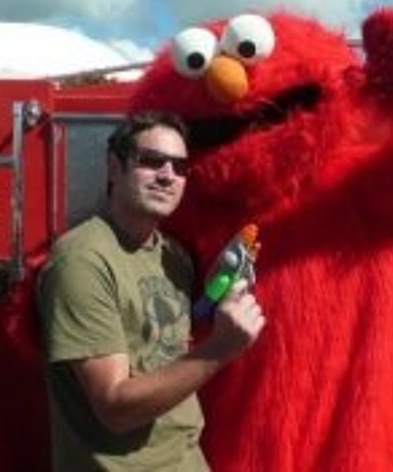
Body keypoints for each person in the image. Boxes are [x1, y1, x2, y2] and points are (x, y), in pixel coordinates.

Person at [37, 110, 266, 471]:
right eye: (151, 160)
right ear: (114, 168)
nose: (167, 175)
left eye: (179, 166)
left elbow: (167, 345)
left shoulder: (174, 256)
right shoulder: (82, 261)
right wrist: (219, 348)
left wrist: (215, 296)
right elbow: (114, 407)